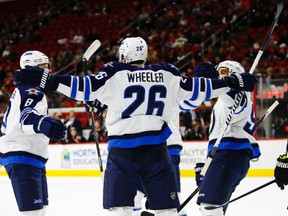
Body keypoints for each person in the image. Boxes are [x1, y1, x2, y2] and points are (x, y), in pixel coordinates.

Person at [13, 37, 256, 216]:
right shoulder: (167, 74)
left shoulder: (115, 73)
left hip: (123, 154)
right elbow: (199, 89)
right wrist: (232, 81)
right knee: (168, 210)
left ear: (123, 56)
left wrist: (47, 79)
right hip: (157, 153)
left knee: (120, 209)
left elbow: (82, 87)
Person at [0, 51, 66, 216]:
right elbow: (26, 117)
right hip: (23, 156)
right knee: (33, 213)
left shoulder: (23, 90)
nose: (48, 71)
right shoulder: (31, 90)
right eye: (44, 66)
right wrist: (42, 123)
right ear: (33, 67)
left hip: (30, 157)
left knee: (40, 211)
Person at [192, 61, 261, 216]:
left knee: (210, 207)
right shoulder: (225, 101)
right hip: (226, 156)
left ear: (235, 74)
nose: (219, 75)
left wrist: (215, 78)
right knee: (216, 207)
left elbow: (232, 94)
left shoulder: (238, 95)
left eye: (223, 71)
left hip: (228, 155)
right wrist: (208, 166)